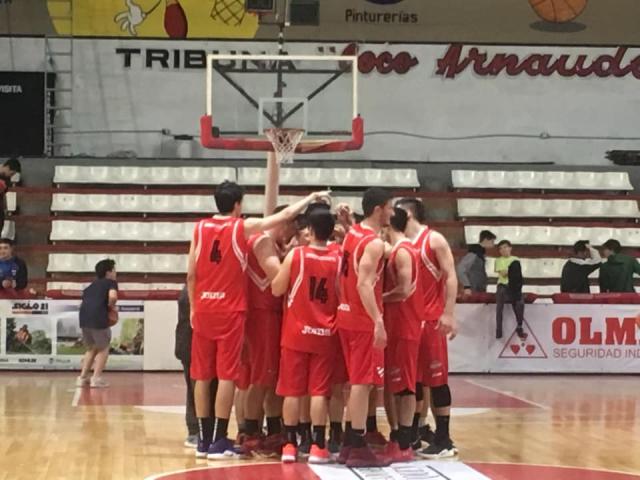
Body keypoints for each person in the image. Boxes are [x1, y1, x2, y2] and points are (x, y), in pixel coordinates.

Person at [187, 180, 328, 460]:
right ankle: (228, 437)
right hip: (238, 311)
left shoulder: (200, 228)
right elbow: (283, 223)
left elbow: (191, 273)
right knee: (234, 377)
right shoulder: (247, 230)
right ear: (238, 204)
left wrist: (193, 307)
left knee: (207, 376)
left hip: (205, 307)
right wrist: (311, 196)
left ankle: (206, 440)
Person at [271, 208, 340, 464]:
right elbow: (342, 294)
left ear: (309, 231)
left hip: (296, 333)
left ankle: (289, 445)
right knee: (319, 392)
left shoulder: (296, 255)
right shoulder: (339, 258)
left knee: (292, 391)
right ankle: (318, 446)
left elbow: (277, 289)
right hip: (325, 333)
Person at [395, 198, 458, 460]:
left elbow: (451, 276)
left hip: (431, 320)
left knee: (437, 379)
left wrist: (449, 313)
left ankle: (444, 438)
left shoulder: (433, 240)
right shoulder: (399, 243)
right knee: (414, 380)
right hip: (409, 320)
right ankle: (417, 432)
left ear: (408, 213)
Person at [337, 187, 393, 468]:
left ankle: (349, 442)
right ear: (378, 209)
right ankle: (358, 445)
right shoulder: (372, 243)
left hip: (345, 314)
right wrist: (378, 320)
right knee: (362, 383)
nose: (392, 213)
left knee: (356, 382)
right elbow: (363, 284)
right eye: (389, 207)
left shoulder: (352, 234)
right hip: (361, 320)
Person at [242, 205, 296, 457]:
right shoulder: (262, 241)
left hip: (271, 315)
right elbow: (278, 276)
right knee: (261, 377)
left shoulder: (272, 244)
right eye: (291, 228)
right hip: (262, 314)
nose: (291, 234)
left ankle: (273, 429)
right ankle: (250, 432)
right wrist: (298, 255)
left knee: (272, 377)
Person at [381, 207, 424, 463]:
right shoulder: (397, 250)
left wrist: (378, 297)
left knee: (405, 385)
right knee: (393, 384)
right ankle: (397, 436)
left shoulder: (405, 252)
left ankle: (405, 441)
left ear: (388, 226)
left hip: (405, 324)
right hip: (395, 324)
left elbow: (404, 290)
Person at [175, 286, 218, 449]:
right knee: (199, 389)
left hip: (189, 346)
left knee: (199, 389)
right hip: (191, 346)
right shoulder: (194, 292)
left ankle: (201, 430)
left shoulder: (191, 290)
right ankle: (196, 430)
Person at [76, 259, 118, 389]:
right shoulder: (111, 282)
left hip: (84, 318)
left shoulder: (90, 286)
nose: (116, 273)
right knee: (103, 348)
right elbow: (113, 296)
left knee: (91, 348)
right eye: (114, 270)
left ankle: (82, 378)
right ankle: (96, 378)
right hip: (98, 317)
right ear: (108, 272)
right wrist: (111, 307)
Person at [495, 240, 525, 339]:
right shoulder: (498, 260)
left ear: (510, 248)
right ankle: (498, 330)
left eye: (505, 247)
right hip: (502, 285)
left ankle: (520, 325)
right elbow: (503, 273)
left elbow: (517, 274)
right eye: (501, 248)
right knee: (499, 307)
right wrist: (512, 269)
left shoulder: (516, 259)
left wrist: (510, 270)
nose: (503, 250)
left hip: (513, 285)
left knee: (519, 302)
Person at [457, 230, 496, 295]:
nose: (493, 244)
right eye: (492, 241)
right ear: (486, 240)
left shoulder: (480, 254)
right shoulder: (473, 254)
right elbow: (460, 268)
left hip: (479, 288)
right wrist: (467, 286)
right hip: (473, 289)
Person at [0, 157, 21, 236]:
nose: (11, 176)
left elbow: (3, 195)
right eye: (11, 173)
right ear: (7, 167)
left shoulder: (6, 180)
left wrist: (5, 208)